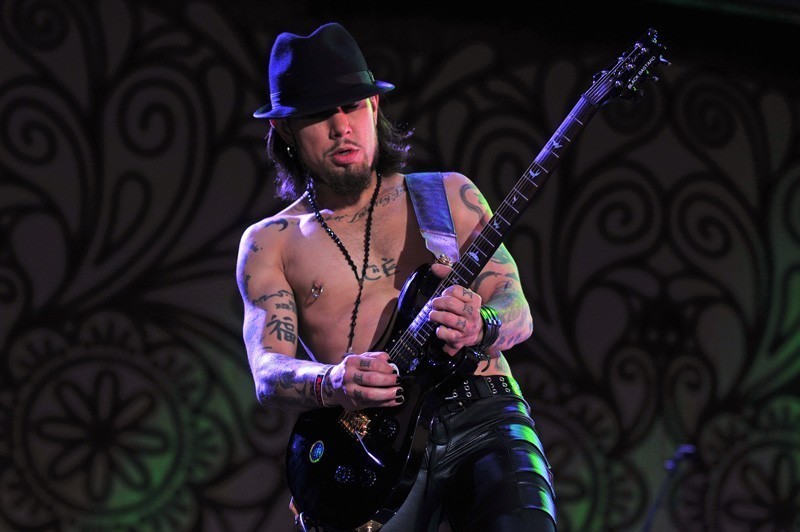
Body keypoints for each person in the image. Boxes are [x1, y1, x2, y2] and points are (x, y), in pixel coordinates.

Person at [236, 22, 556, 532]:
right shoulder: (270, 242)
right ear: (285, 130)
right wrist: (331, 381)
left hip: (483, 415)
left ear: (374, 107)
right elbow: (267, 370)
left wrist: (484, 324)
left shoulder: (448, 195)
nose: (341, 127)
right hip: (370, 457)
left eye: (352, 106)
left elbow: (517, 307)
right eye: (318, 114)